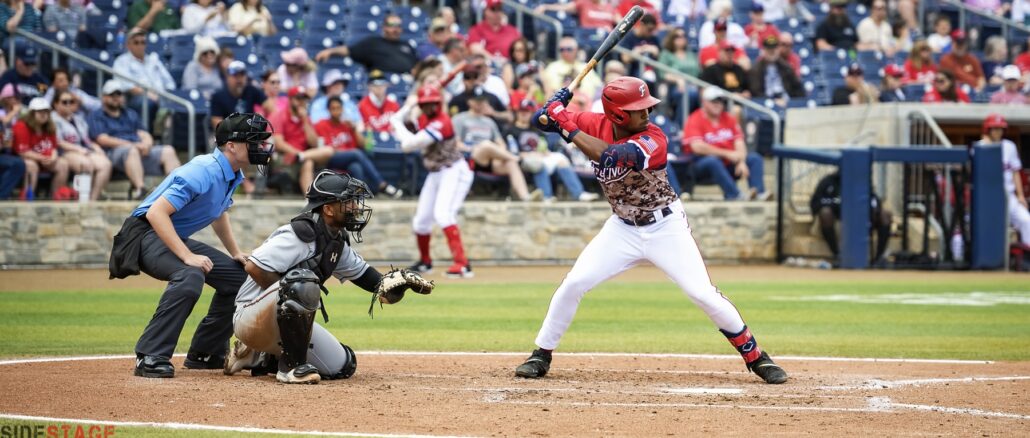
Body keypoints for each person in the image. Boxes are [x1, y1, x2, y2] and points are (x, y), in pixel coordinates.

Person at [514, 77, 787, 384]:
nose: (647, 113)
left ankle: (756, 357)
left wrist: (563, 121)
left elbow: (610, 156)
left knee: (703, 293)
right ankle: (542, 353)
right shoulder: (593, 122)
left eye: (646, 107)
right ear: (617, 115)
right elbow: (542, 121)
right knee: (574, 283)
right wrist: (553, 107)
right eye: (638, 109)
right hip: (621, 229)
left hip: (665, 226)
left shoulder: (653, 138)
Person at [224, 170, 432, 383]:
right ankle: (290, 368)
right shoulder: (298, 234)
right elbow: (254, 267)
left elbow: (378, 288)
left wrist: (399, 284)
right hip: (249, 317)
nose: (356, 207)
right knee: (301, 283)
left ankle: (257, 356)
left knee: (342, 366)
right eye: (348, 201)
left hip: (278, 321)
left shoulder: (336, 243)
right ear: (328, 209)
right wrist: (287, 294)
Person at [111, 113, 270, 378]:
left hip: (167, 233)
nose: (260, 147)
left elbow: (219, 212)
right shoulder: (203, 169)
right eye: (254, 141)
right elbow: (156, 214)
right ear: (231, 145)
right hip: (143, 234)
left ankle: (205, 352)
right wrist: (187, 256)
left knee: (240, 278)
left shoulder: (232, 172)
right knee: (190, 274)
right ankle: (150, 356)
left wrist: (234, 253)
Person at [389, 86, 474, 278]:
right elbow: (409, 124)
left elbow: (408, 145)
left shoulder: (442, 122)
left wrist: (395, 121)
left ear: (438, 103)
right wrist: (404, 111)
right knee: (421, 221)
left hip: (454, 169)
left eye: (433, 103)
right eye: (426, 104)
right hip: (435, 172)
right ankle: (425, 262)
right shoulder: (423, 119)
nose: (429, 107)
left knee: (444, 214)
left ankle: (462, 264)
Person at [88, 80, 180, 199]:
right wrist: (134, 145)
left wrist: (147, 144)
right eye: (112, 95)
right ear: (104, 97)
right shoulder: (97, 115)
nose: (116, 98)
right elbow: (102, 139)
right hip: (112, 153)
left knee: (168, 150)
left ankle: (176, 191)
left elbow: (143, 133)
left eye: (119, 94)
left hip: (138, 150)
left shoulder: (130, 113)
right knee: (131, 150)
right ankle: (140, 190)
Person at [453, 87, 538, 202]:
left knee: (510, 163)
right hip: (471, 156)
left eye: (483, 100)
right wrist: (473, 148)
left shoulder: (489, 121)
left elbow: (500, 143)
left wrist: (498, 154)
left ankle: (526, 197)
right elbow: (456, 144)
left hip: (491, 158)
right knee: (486, 145)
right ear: (470, 102)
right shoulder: (460, 119)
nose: (481, 103)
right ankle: (518, 159)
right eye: (478, 101)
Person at [505, 98, 598, 202]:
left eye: (527, 111)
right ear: (517, 112)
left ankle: (579, 194)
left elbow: (543, 146)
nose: (524, 114)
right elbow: (511, 150)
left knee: (562, 160)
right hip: (524, 158)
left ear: (531, 113)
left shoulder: (536, 129)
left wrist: (545, 152)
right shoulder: (511, 129)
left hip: (541, 156)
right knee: (539, 164)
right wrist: (528, 154)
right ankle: (546, 196)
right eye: (522, 111)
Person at [683, 87, 769, 200]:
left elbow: (739, 142)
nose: (718, 104)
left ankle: (759, 193)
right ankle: (735, 195)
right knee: (713, 161)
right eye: (714, 101)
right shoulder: (695, 118)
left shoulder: (729, 118)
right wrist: (728, 154)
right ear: (704, 102)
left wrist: (741, 161)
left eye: (720, 101)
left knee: (754, 158)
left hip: (728, 163)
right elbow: (697, 147)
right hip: (701, 166)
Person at [311, 96, 402, 198]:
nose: (336, 111)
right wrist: (347, 152)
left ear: (342, 109)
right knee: (356, 153)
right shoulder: (321, 124)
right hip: (330, 158)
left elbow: (363, 145)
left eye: (339, 108)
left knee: (356, 166)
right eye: (333, 108)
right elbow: (324, 148)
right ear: (328, 110)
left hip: (348, 159)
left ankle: (358, 197)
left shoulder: (346, 125)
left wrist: (354, 129)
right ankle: (382, 184)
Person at [809, 171, 893, 264]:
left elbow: (874, 199)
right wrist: (837, 203)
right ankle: (837, 255)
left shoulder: (861, 181)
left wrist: (874, 209)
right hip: (837, 215)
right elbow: (815, 203)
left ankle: (879, 258)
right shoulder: (828, 181)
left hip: (860, 216)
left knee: (885, 215)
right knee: (825, 213)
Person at [978, 114, 1029, 247]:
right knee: (991, 226)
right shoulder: (980, 146)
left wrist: (1021, 195)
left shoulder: (1009, 146)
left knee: (1026, 220)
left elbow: (1015, 172)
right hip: (988, 197)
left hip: (1009, 195)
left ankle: (1026, 257)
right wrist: (986, 147)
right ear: (987, 129)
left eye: (1000, 129)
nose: (997, 132)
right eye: (994, 128)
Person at [52, 90, 111, 201]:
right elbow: (58, 142)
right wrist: (78, 149)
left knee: (105, 164)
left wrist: (96, 147)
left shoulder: (78, 119)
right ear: (56, 104)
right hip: (64, 152)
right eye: (64, 102)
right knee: (86, 164)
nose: (68, 104)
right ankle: (81, 200)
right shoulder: (53, 119)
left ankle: (92, 199)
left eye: (71, 101)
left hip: (83, 150)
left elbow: (86, 139)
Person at [314, 14, 417, 74]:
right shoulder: (373, 43)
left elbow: (416, 66)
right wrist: (330, 51)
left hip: (406, 83)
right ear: (384, 27)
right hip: (380, 84)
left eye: (398, 26)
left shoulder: (407, 45)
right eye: (392, 25)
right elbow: (349, 50)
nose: (396, 29)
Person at [112, 28, 176, 123]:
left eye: (143, 42)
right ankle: (146, 133)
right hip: (136, 98)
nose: (140, 46)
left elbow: (169, 82)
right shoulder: (121, 61)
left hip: (160, 96)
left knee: (179, 103)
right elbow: (126, 86)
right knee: (146, 102)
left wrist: (164, 94)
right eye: (136, 42)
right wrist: (148, 94)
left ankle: (169, 133)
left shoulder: (153, 60)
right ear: (128, 45)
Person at [14, 97, 69, 199]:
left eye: (46, 111)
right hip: (26, 159)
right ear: (31, 113)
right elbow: (23, 151)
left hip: (44, 159)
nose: (44, 114)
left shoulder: (49, 126)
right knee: (31, 165)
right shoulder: (21, 126)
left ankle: (56, 198)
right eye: (39, 112)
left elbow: (53, 147)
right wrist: (42, 158)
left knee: (63, 164)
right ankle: (27, 199)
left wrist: (53, 156)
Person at [268, 86, 320, 192]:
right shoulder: (280, 116)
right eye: (298, 98)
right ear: (291, 99)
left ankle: (310, 200)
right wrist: (298, 154)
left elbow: (314, 143)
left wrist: (305, 120)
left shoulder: (306, 118)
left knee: (327, 151)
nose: (302, 102)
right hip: (284, 157)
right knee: (308, 161)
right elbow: (279, 143)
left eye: (304, 99)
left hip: (302, 157)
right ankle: (311, 200)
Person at [542, 38, 603, 112]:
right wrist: (576, 99)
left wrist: (588, 101)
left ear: (576, 50)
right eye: (561, 49)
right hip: (561, 106)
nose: (565, 52)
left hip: (587, 106)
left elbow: (599, 87)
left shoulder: (586, 66)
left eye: (569, 49)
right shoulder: (552, 67)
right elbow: (548, 91)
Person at [210, 60, 271, 128]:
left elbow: (271, 108)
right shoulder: (218, 97)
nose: (239, 79)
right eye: (235, 75)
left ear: (246, 77)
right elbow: (217, 124)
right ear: (228, 77)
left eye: (241, 75)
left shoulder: (251, 90)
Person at [749, 35, 804, 102]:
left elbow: (797, 87)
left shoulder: (786, 67)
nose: (772, 51)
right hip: (765, 102)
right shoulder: (756, 68)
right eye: (769, 49)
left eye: (774, 49)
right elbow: (755, 91)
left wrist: (791, 101)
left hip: (785, 100)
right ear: (764, 50)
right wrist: (772, 101)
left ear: (778, 50)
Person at [535, 0, 617, 30]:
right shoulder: (584, 2)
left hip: (608, 39)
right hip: (588, 37)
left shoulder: (610, 7)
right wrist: (546, 6)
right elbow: (565, 7)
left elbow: (621, 22)